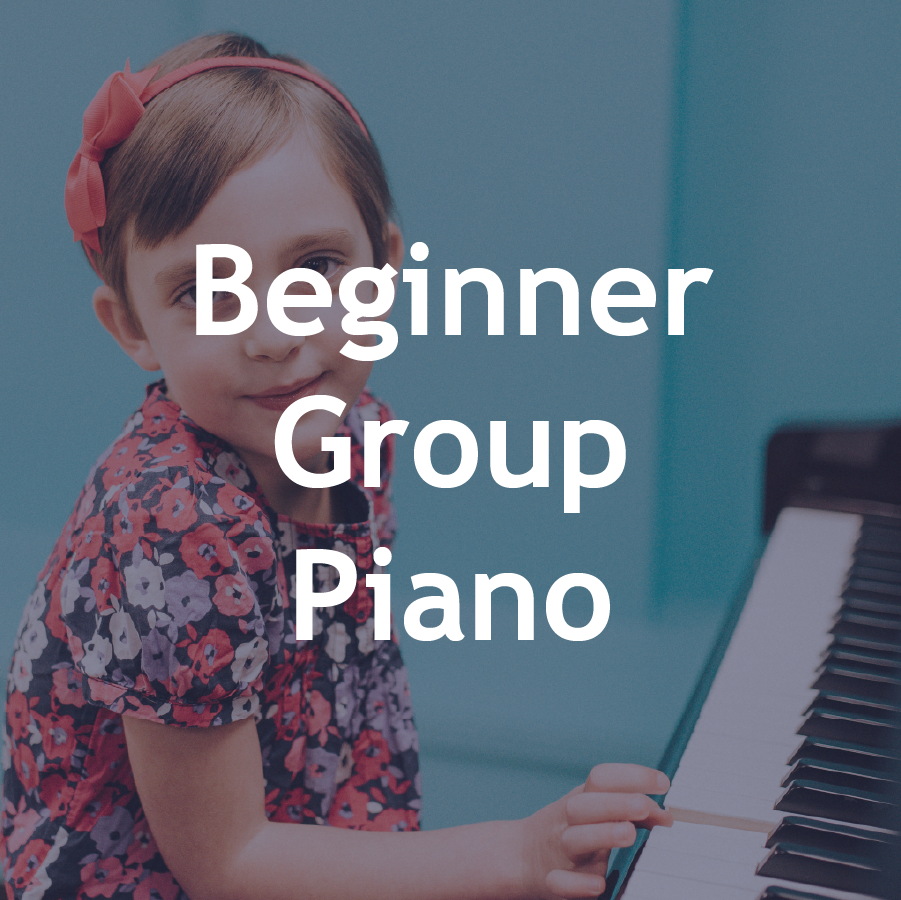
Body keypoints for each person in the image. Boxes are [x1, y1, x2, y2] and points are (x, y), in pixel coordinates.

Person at [1, 33, 671, 900]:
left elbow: (343, 706)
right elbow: (227, 860)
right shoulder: (173, 520)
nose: (273, 335)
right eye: (206, 293)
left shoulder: (347, 438)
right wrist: (515, 855)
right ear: (130, 327)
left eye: (314, 267)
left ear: (385, 267)